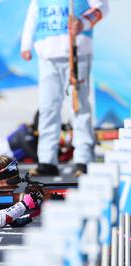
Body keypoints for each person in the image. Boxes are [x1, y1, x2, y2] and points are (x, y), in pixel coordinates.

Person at [20, 0, 109, 176]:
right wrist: (26, 44)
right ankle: (46, 160)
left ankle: (83, 158)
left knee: (79, 107)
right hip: (48, 56)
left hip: (77, 53)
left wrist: (82, 22)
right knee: (48, 108)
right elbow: (33, 15)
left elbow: (102, 7)